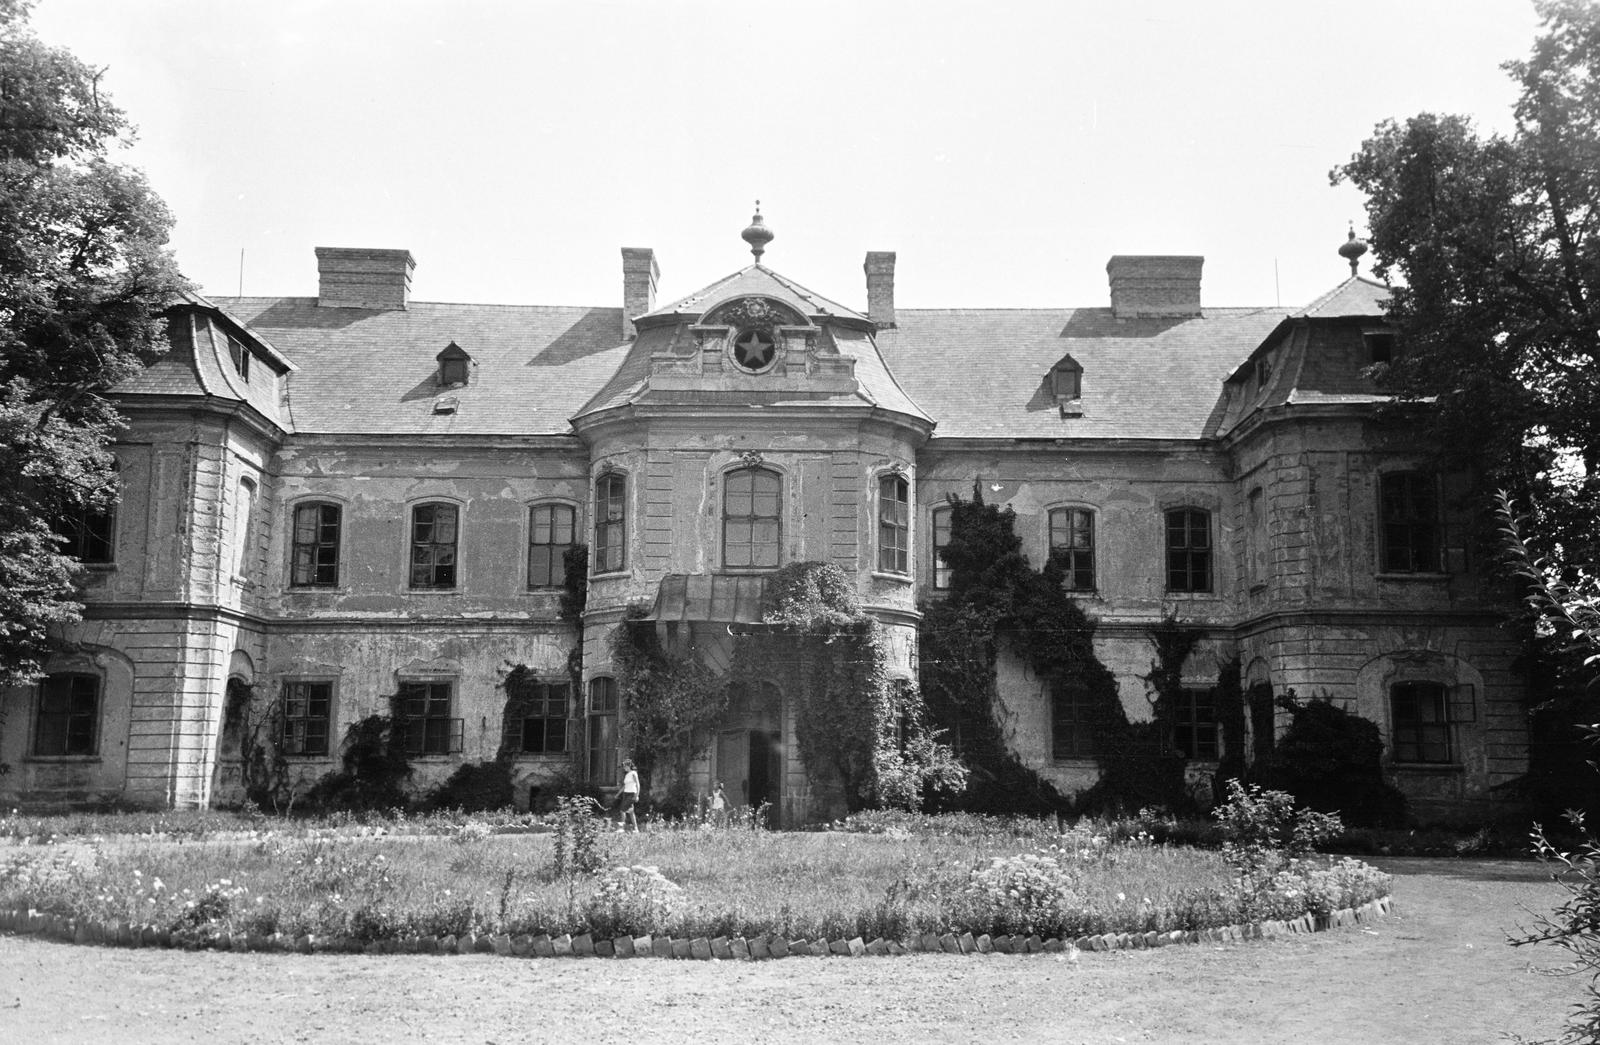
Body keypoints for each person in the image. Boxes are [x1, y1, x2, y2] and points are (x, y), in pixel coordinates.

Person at [617, 759, 640, 832]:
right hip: (625, 794)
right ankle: (636, 828)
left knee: (622, 810)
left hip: (632, 794)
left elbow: (638, 784)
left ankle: (621, 828)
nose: (624, 768)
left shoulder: (633, 773)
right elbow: (625, 786)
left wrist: (637, 795)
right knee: (631, 812)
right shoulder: (627, 775)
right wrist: (618, 794)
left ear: (629, 766)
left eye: (625, 766)